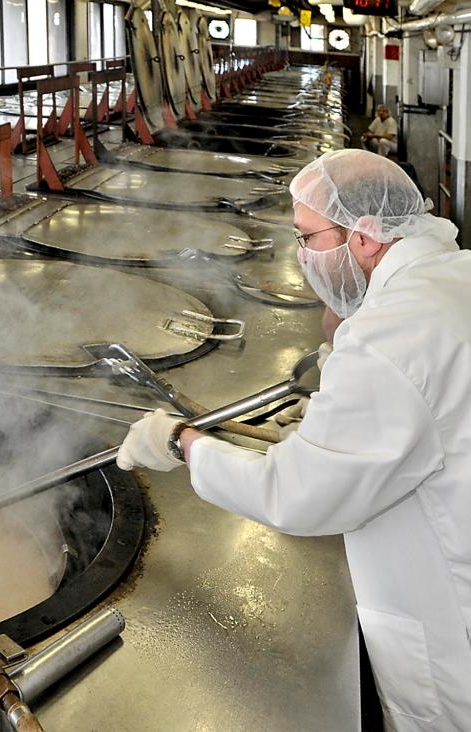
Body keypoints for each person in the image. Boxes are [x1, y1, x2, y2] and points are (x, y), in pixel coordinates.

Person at [117, 149, 470, 731]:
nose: (302, 255)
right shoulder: (449, 278)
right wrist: (337, 378)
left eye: (309, 237)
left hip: (449, 631)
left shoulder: (388, 339)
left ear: (365, 235)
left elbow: (297, 494)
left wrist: (180, 441)